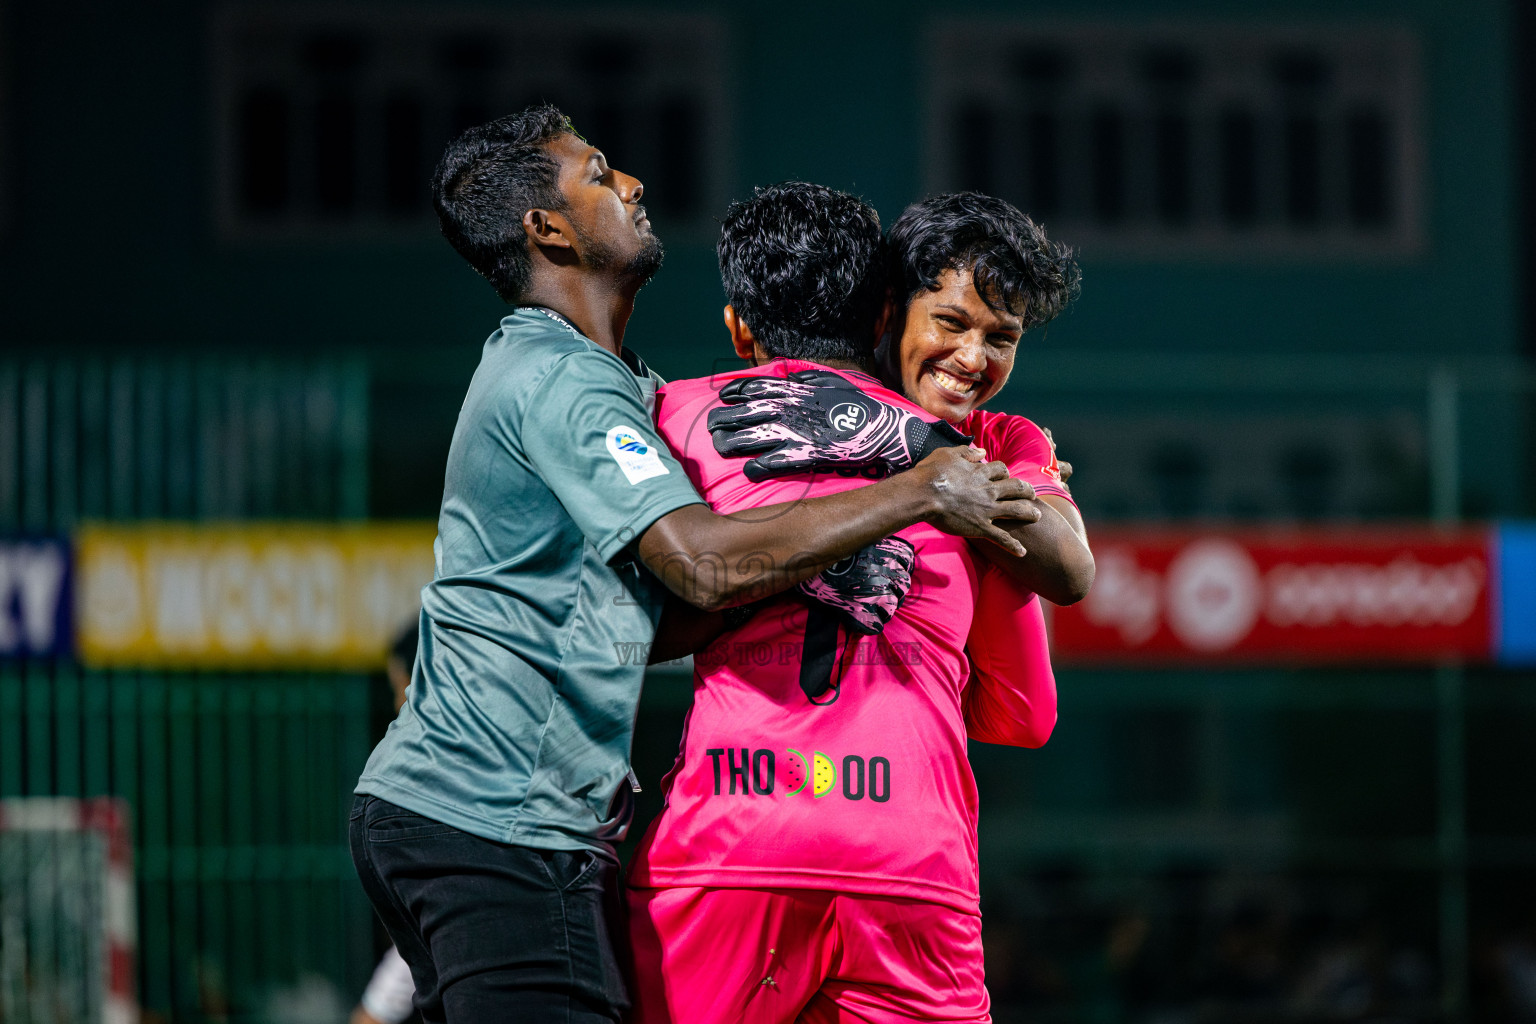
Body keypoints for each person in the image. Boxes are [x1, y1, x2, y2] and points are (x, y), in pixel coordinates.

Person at [347, 106, 1039, 1024]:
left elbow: (672, 611)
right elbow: (704, 570)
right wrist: (921, 491)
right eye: (598, 172)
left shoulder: (658, 402)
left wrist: (811, 556)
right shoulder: (570, 385)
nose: (631, 184)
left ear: (739, 327)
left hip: (567, 822)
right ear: (546, 228)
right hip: (498, 815)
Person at [625, 181, 1083, 1023]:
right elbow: (1026, 713)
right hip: (908, 861)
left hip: (725, 843)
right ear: (886, 310)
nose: (974, 356)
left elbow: (614, 625)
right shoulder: (982, 453)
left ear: (739, 329)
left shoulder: (671, 414)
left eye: (1001, 337)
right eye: (952, 323)